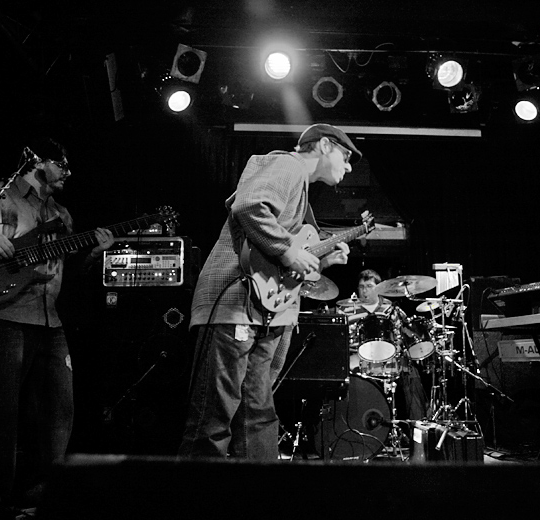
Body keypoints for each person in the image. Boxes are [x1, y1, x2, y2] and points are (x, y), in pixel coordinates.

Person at [178, 123, 359, 461]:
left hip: (260, 310)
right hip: (235, 301)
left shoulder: (301, 190)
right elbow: (249, 206)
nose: (348, 168)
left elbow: (280, 259)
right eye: (346, 156)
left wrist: (321, 259)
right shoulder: (289, 165)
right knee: (216, 418)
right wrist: (288, 251)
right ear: (323, 145)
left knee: (257, 416)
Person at [0, 137, 114, 510]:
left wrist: (93, 254)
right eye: (61, 164)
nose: (68, 173)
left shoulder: (61, 215)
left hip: (50, 320)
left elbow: (66, 271)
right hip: (6, 314)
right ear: (37, 162)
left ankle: (45, 494)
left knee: (59, 408)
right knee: (1, 412)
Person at [341, 269, 428, 421]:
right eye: (361, 287)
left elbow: (401, 335)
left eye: (369, 286)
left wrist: (399, 347)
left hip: (386, 358)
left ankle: (416, 424)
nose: (364, 291)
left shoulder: (390, 308)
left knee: (410, 371)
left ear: (379, 287)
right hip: (357, 359)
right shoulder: (346, 308)